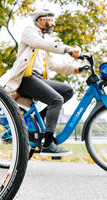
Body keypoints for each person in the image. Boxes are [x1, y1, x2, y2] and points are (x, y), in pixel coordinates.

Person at [5, 8, 83, 157]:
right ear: (40, 20)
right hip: (26, 79)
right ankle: (48, 143)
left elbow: (55, 65)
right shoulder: (30, 32)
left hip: (38, 79)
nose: (53, 24)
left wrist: (75, 69)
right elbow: (39, 43)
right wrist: (67, 49)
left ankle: (39, 116)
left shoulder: (44, 44)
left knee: (67, 91)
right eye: (50, 20)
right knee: (56, 99)